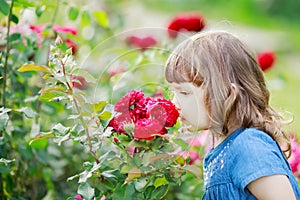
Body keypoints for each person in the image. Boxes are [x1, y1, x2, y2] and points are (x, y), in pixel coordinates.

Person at [165, 30, 300, 199]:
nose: (175, 104)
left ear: (226, 93)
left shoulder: (249, 146)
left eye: (184, 93)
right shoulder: (222, 148)